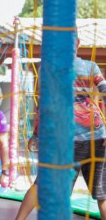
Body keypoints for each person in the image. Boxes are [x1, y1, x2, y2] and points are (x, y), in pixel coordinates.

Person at [15, 38, 106, 220]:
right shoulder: (91, 67)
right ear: (78, 43)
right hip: (95, 137)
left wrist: (36, 134)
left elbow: (44, 105)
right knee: (102, 193)